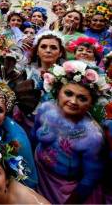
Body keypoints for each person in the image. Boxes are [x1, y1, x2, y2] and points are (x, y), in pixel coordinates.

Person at [34, 60, 106, 203]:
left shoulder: (93, 136)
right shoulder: (45, 109)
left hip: (65, 192)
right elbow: (33, 139)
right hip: (37, 174)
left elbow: (90, 178)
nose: (73, 101)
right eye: (68, 93)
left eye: (82, 98)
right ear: (58, 90)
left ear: (91, 103)